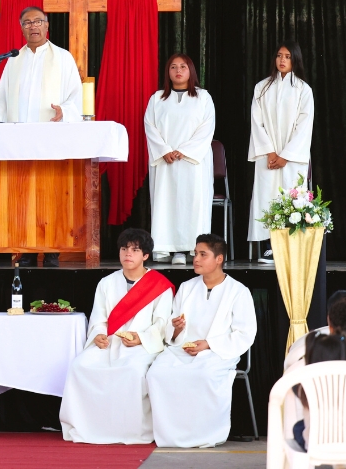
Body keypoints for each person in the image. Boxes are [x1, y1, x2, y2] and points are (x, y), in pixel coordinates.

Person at [0, 6, 83, 268]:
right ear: (21, 28)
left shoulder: (62, 58)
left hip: (50, 139)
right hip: (19, 141)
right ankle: (25, 249)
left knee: (49, 194)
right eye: (27, 23)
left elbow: (76, 96)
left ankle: (51, 250)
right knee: (22, 196)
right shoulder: (13, 60)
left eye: (38, 21)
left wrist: (66, 111)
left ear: (47, 25)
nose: (33, 26)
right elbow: (2, 97)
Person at [59, 228, 174, 444]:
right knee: (79, 366)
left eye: (135, 250)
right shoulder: (107, 283)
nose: (128, 254)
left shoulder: (159, 286)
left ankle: (130, 432)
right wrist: (99, 335)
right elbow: (98, 318)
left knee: (133, 370)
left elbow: (162, 324)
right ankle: (87, 428)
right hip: (109, 343)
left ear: (146, 256)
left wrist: (140, 338)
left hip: (141, 346)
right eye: (124, 249)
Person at [146, 233, 257, 448]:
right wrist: (176, 329)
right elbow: (172, 328)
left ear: (219, 259)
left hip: (217, 353)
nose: (196, 259)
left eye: (202, 254)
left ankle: (203, 434)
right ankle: (170, 435)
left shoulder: (238, 292)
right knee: (157, 373)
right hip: (181, 350)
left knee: (203, 375)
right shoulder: (187, 287)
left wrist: (209, 344)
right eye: (195, 253)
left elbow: (245, 333)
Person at [144, 53, 215, 265]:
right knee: (166, 202)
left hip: (193, 162)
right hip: (166, 162)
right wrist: (165, 150)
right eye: (173, 67)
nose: (178, 71)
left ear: (190, 70)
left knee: (192, 203)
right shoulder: (157, 98)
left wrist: (184, 150)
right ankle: (167, 249)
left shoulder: (203, 97)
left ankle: (194, 250)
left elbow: (206, 128)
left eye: (183, 66)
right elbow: (150, 126)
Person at [247, 41, 315, 263]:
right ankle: (269, 247)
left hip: (292, 157)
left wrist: (285, 154)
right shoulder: (262, 87)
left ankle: (292, 246)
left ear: (295, 59)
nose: (282, 60)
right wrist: (269, 151)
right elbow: (257, 122)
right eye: (279, 55)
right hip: (268, 156)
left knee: (290, 197)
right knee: (268, 198)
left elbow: (304, 126)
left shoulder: (303, 90)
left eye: (287, 56)